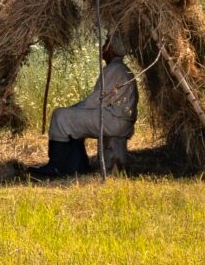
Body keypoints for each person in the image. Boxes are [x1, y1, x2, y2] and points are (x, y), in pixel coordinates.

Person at [42, 38, 137, 177]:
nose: (102, 47)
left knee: (60, 116)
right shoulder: (122, 69)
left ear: (111, 50)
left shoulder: (114, 69)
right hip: (119, 119)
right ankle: (78, 164)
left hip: (114, 120)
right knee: (71, 118)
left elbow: (96, 101)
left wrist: (73, 110)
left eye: (105, 44)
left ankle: (56, 166)